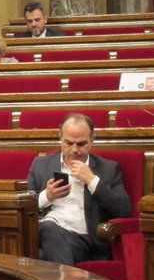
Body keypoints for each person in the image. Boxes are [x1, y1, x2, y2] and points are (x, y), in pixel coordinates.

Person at [27, 113, 131, 266]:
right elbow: (24, 205)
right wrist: (47, 196)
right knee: (49, 226)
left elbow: (124, 209)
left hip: (82, 239)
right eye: (69, 143)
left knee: (41, 256)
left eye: (81, 144)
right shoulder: (41, 165)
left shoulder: (108, 169)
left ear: (92, 140)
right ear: (60, 137)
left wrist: (92, 181)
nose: (75, 150)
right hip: (44, 232)